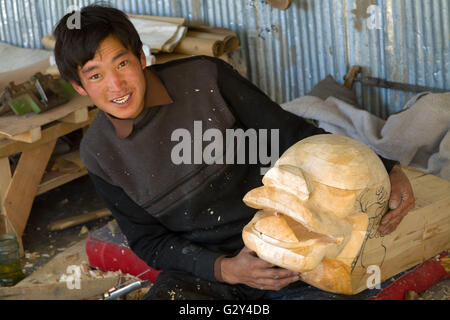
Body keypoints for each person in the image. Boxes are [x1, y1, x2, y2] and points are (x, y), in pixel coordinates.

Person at [53, 4, 415, 300]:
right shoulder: (99, 152)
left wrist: (386, 168)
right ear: (79, 86)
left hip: (290, 247)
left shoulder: (204, 78)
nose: (116, 85)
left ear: (141, 57)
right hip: (214, 272)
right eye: (95, 75)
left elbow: (292, 135)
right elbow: (149, 241)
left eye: (121, 63)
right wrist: (224, 268)